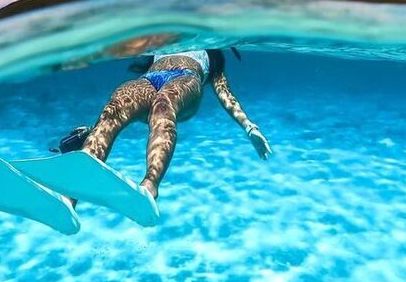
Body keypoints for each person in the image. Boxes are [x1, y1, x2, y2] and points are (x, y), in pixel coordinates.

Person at [53, 49, 271, 203]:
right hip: (150, 78)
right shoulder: (162, 39)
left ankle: (150, 185)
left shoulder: (212, 51)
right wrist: (95, 129)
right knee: (117, 103)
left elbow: (224, 93)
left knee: (163, 104)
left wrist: (249, 127)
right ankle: (72, 193)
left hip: (186, 79)